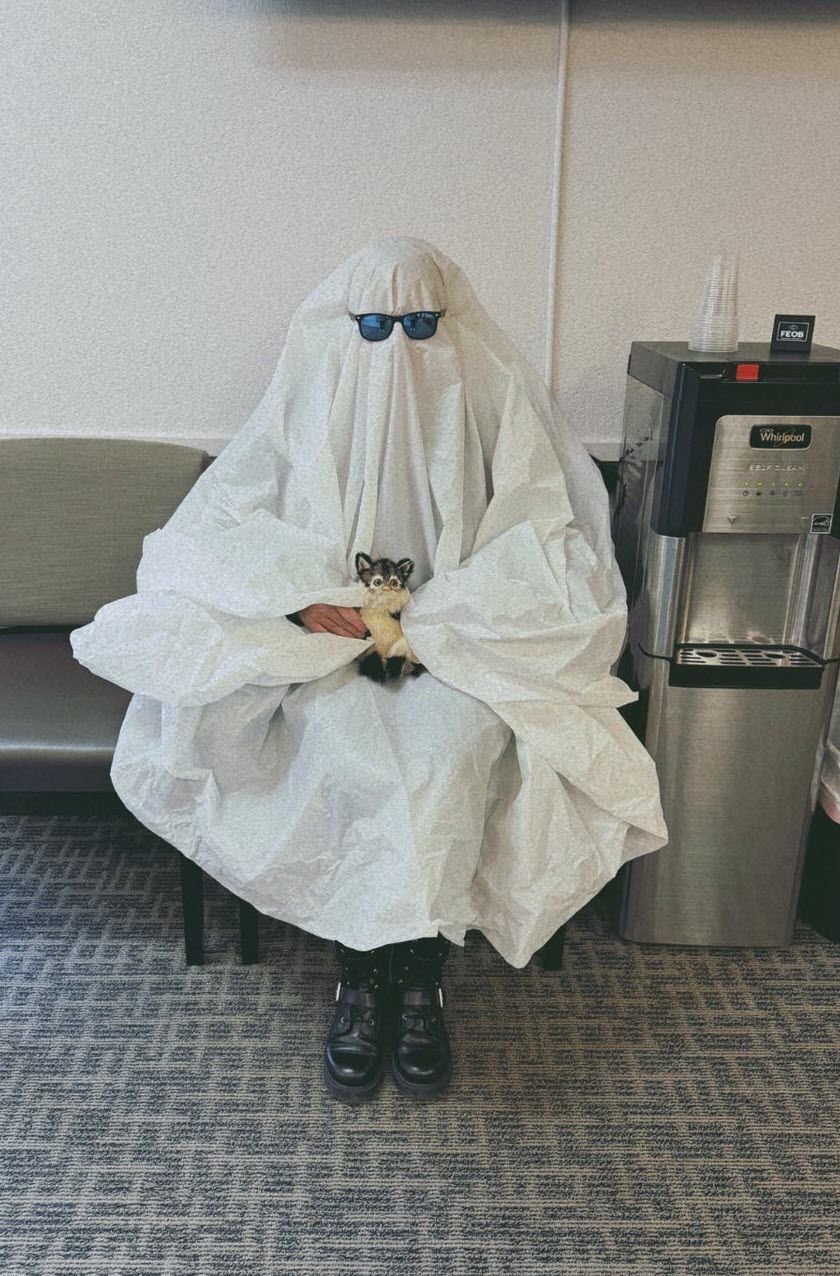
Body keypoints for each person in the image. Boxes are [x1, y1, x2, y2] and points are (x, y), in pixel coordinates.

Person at [70, 237, 667, 1105]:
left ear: (453, 326)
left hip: (462, 650)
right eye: (375, 327)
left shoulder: (493, 404)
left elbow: (547, 541)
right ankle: (362, 974)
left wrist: (445, 621)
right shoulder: (304, 401)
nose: (396, 352)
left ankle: (415, 979)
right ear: (341, 328)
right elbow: (212, 535)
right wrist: (300, 600)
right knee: (337, 744)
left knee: (446, 754)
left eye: (420, 326)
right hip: (323, 655)